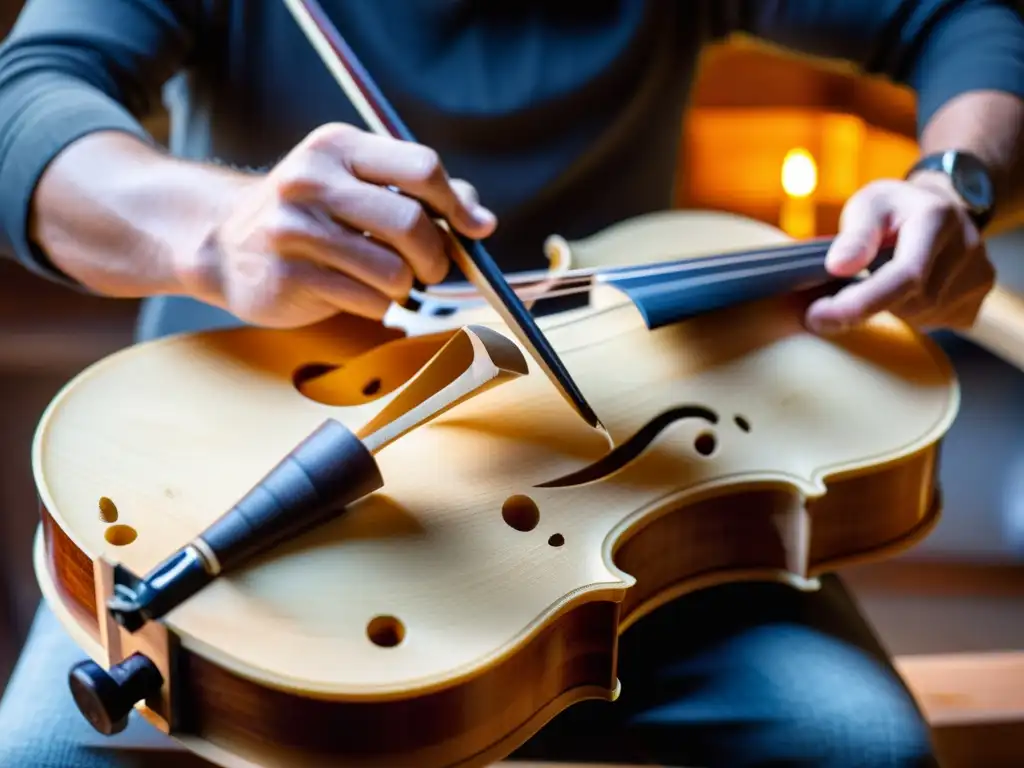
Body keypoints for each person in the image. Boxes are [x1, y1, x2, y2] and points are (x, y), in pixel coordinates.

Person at [0, 1, 1022, 766]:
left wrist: (955, 181)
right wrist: (213, 229)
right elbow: (25, 102)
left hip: (610, 494)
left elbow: (968, 17)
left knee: (861, 747)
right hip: (229, 491)